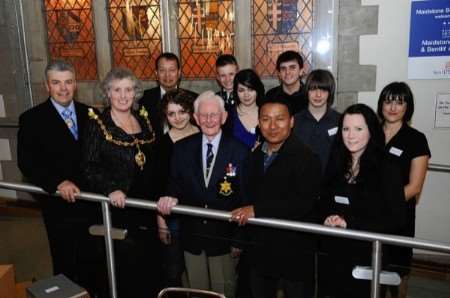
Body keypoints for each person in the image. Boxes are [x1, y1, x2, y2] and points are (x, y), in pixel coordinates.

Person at [17, 60, 100, 296]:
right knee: (65, 260)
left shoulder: (91, 114)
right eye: (56, 83)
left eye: (68, 82)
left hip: (91, 202)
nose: (63, 88)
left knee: (94, 260)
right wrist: (57, 183)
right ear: (47, 86)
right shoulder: (31, 119)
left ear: (75, 85)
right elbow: (28, 163)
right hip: (58, 205)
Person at [157, 91, 250, 297]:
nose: (209, 120)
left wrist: (239, 241)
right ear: (196, 118)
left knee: (223, 290)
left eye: (214, 115)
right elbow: (174, 184)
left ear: (224, 117)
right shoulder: (181, 149)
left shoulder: (240, 151)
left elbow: (246, 200)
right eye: (204, 115)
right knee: (195, 291)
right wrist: (169, 197)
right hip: (192, 237)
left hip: (224, 240)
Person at [82, 67, 162, 297]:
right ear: (107, 93)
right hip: (118, 209)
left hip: (147, 206)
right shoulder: (98, 124)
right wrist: (111, 189)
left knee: (150, 266)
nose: (123, 95)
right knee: (125, 269)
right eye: (117, 90)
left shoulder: (144, 119)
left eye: (128, 89)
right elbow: (89, 166)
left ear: (136, 92)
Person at [230, 97, 322, 298]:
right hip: (259, 252)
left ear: (291, 122)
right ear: (259, 123)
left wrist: (258, 210)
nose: (272, 126)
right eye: (265, 119)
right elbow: (244, 196)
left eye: (279, 119)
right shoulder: (252, 158)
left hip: (294, 252)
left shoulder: (307, 158)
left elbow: (303, 203)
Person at [319, 104, 405, 298]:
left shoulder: (387, 169)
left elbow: (396, 219)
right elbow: (322, 201)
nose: (350, 135)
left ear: (371, 132)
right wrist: (326, 218)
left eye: (359, 129)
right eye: (346, 129)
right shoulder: (335, 162)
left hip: (368, 258)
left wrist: (350, 223)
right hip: (333, 258)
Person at [377, 82, 431, 298]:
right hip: (370, 216)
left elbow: (415, 186)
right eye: (388, 101)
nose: (393, 107)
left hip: (400, 216)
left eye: (399, 102)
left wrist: (384, 205)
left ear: (407, 107)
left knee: (398, 273)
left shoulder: (416, 139)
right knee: (372, 270)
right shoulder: (370, 133)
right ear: (381, 104)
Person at [155, 89, 199, 287]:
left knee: (198, 271)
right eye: (171, 114)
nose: (178, 118)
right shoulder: (162, 145)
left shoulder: (204, 133)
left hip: (199, 214)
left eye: (182, 111)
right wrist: (161, 221)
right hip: (173, 216)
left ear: (191, 111)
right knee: (174, 269)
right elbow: (159, 185)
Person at [139, 52, 198, 138]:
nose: (167, 75)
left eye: (172, 70)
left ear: (179, 73)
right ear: (156, 73)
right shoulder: (143, 99)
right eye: (162, 70)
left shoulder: (194, 99)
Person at [293, 69, 340, 171]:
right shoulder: (294, 121)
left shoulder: (340, 120)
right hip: (302, 182)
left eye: (323, 90)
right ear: (307, 91)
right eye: (313, 89)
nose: (318, 95)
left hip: (331, 182)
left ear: (330, 93)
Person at [224, 69, 264, 149]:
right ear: (236, 92)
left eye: (250, 89)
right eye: (241, 90)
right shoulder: (227, 115)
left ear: (257, 90)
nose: (246, 95)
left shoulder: (267, 112)